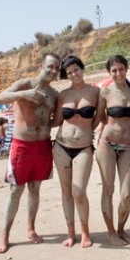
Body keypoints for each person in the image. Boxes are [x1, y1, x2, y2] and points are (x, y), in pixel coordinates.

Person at [0, 52, 61, 254]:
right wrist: (22, 95)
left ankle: (31, 228)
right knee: (16, 190)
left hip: (42, 145)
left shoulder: (54, 94)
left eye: (56, 68)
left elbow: (56, 120)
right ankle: (4, 234)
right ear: (41, 65)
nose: (53, 70)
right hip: (22, 145)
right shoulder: (24, 84)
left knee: (35, 189)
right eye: (50, 66)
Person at [92, 55, 130, 246]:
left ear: (126, 69)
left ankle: (121, 228)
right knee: (108, 189)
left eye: (121, 69)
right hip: (107, 145)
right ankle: (111, 231)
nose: (118, 73)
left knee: (126, 194)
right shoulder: (105, 92)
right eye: (114, 70)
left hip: (128, 146)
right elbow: (99, 117)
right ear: (109, 72)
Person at [51, 56, 99, 248]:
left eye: (76, 70)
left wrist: (89, 131)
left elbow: (101, 117)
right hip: (61, 146)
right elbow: (56, 121)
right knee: (66, 191)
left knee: (78, 191)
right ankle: (71, 233)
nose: (73, 74)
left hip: (84, 148)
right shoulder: (63, 95)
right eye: (69, 72)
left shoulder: (96, 92)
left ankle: (85, 232)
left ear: (82, 68)